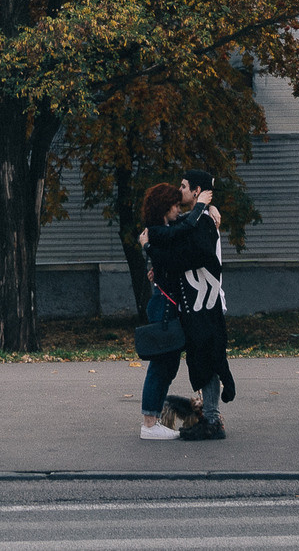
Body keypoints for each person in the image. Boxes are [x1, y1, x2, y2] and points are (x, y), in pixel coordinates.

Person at [143, 168, 232, 439]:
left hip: (205, 304)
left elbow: (186, 255)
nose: (179, 190)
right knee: (197, 359)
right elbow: (176, 238)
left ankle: (212, 420)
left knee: (208, 358)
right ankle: (207, 417)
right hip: (192, 306)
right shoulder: (189, 221)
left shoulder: (203, 223)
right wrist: (159, 267)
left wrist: (157, 257)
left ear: (196, 191)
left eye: (183, 186)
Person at [134, 182, 188, 440]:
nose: (179, 209)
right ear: (164, 207)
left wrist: (209, 209)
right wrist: (147, 249)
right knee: (160, 365)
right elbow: (169, 260)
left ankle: (152, 420)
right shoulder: (156, 233)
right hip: (163, 306)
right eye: (175, 205)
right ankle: (149, 423)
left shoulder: (164, 230)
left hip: (165, 304)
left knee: (168, 365)